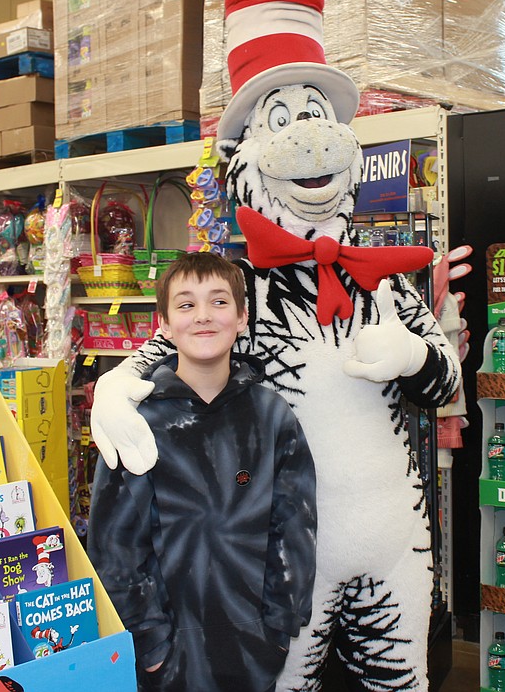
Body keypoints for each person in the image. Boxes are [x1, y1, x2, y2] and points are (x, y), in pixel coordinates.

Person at [88, 251, 318, 692]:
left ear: (242, 316)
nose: (203, 317)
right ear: (164, 323)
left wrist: (279, 628)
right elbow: (114, 546)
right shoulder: (137, 421)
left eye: (218, 301)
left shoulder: (272, 416)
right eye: (186, 304)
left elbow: (295, 528)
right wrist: (150, 643)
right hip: (167, 661)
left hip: (255, 651)